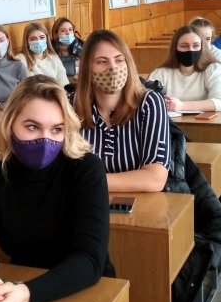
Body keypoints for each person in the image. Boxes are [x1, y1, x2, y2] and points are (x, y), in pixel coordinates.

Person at [0, 76, 114, 302]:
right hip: (21, 282)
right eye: (32, 127)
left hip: (84, 289)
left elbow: (90, 259)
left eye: (56, 129)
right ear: (10, 124)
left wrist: (24, 295)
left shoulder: (86, 168)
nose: (45, 139)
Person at [73, 29, 171, 192]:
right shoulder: (70, 106)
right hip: (84, 201)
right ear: (87, 69)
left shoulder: (149, 102)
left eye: (119, 60)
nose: (113, 68)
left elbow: (155, 179)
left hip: (140, 202)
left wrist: (88, 181)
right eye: (102, 62)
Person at [149, 26, 221, 113]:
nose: (191, 50)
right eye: (184, 46)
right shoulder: (162, 72)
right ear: (175, 48)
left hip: (205, 120)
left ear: (202, 48)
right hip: (171, 121)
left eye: (196, 46)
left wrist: (182, 106)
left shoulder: (213, 69)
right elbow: (147, 98)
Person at [14, 22, 69, 87]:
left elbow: (64, 84)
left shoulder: (54, 58)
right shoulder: (19, 60)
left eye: (42, 37)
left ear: (46, 39)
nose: (38, 41)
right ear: (27, 41)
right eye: (33, 39)